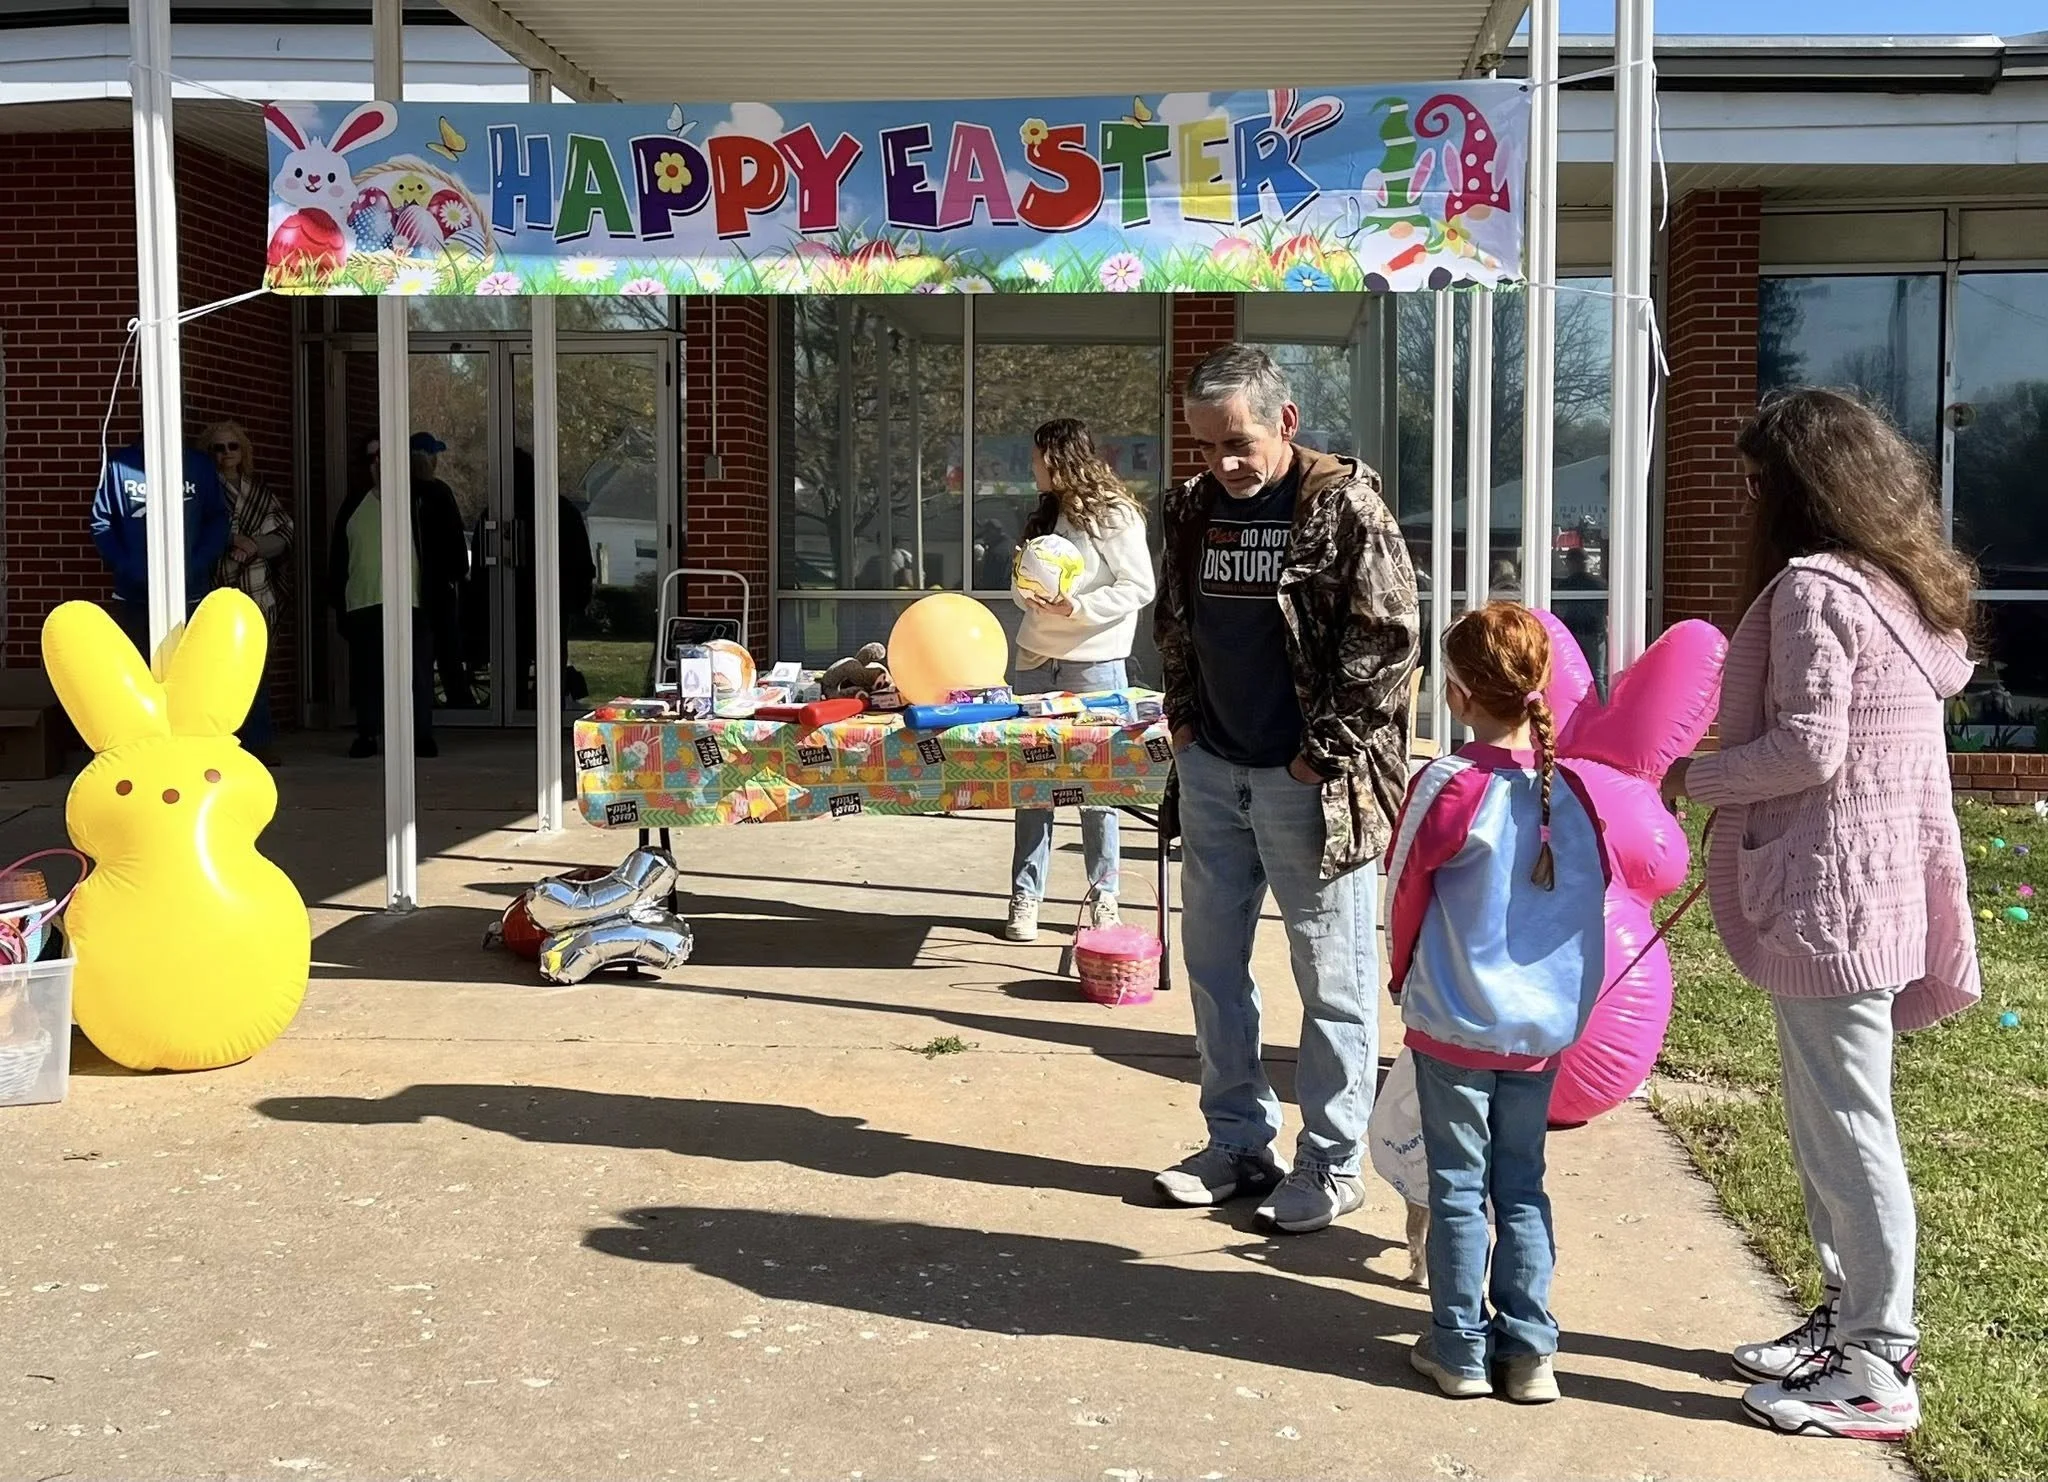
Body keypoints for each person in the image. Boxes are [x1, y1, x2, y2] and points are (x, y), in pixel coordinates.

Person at [1664, 388, 1981, 1442]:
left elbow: (1806, 747)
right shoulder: (1900, 585)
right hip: (1881, 886)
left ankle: (1876, 1362)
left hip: (1831, 896)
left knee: (1846, 1127)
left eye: (1757, 480)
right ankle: (1848, 1321)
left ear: (1797, 490)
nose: (1745, 497)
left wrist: (1694, 775)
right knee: (1829, 1117)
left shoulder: (1812, 590)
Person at [1152, 344, 1419, 1234]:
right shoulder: (1189, 509)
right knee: (1214, 968)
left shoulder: (1345, 509)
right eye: (1204, 447)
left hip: (1310, 786)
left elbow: (1388, 642)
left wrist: (1320, 755)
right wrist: (1183, 721)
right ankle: (1237, 1144)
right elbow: (1176, 622)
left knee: (1330, 980)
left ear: (1286, 423)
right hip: (1213, 769)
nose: (1222, 464)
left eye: (1238, 443)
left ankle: (1334, 1163)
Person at [1385, 603, 1608, 1404]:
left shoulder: (1450, 783)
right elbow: (1598, 899)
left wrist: (1401, 974)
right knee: (1522, 1183)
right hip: (1541, 1030)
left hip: (1455, 1019)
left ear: (1456, 693)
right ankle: (1531, 1354)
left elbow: (1405, 889)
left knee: (1455, 1184)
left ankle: (1459, 1348)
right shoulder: (1573, 790)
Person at [1003, 417, 1156, 942]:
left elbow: (1140, 585)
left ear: (1059, 457)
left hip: (1095, 664)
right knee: (1032, 785)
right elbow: (1023, 581)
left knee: (1097, 789)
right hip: (1034, 659)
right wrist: (1030, 593)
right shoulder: (1045, 513)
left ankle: (1104, 898)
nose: (1032, 467)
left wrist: (1078, 606)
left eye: (1037, 456)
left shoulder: (1113, 514)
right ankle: (1026, 897)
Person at [329, 436, 438, 759]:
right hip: (365, 602)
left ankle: (421, 737)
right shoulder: (353, 505)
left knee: (417, 673)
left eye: (385, 454)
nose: (379, 461)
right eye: (372, 457)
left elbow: (448, 551)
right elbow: (339, 558)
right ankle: (368, 734)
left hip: (415, 603)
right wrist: (338, 603)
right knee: (369, 675)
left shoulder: (424, 500)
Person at [90, 435, 231, 660]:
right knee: (137, 668)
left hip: (190, 593)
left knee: (189, 669)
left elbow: (216, 519)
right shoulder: (119, 465)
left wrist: (195, 564)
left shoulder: (198, 465)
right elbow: (102, 522)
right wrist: (128, 566)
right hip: (132, 596)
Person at [204, 419, 293, 766]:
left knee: (258, 669)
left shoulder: (257, 491)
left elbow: (285, 529)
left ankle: (259, 740)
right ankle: (226, 741)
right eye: (219, 447)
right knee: (221, 671)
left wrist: (253, 544)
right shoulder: (205, 490)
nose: (227, 453)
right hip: (220, 587)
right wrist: (230, 541)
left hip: (259, 591)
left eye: (233, 446)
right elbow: (198, 527)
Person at [509, 446, 598, 711]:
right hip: (555, 595)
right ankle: (547, 704)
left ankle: (518, 704)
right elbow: (582, 557)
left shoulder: (508, 509)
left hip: (525, 594)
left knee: (518, 653)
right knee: (551, 653)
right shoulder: (562, 509)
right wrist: (580, 595)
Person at [410, 432, 477, 709]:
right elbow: (454, 537)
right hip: (439, 585)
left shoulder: (398, 494)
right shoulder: (439, 493)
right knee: (448, 646)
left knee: (418, 648)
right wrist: (460, 573)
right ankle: (458, 699)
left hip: (413, 584)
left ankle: (421, 701)